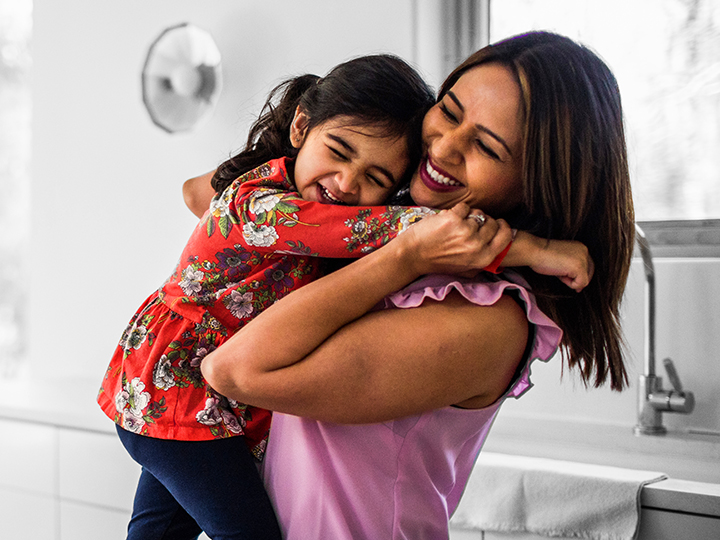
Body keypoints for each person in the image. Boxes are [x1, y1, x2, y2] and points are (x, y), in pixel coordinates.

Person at [99, 53, 589, 540]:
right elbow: (375, 230)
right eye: (451, 112)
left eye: (377, 178)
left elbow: (377, 231)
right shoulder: (279, 208)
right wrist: (535, 248)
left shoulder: (481, 314)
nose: (348, 184)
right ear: (301, 128)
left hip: (188, 390)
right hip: (175, 383)